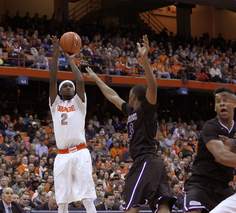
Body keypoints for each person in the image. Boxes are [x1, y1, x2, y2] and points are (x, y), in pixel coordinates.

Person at [84, 35, 175, 213]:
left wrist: (144, 60)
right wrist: (97, 79)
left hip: (145, 161)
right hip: (153, 163)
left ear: (133, 96)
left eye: (130, 94)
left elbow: (153, 87)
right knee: (162, 202)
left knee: (131, 205)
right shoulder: (131, 111)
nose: (127, 97)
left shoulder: (146, 111)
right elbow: (112, 97)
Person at [49, 36, 96, 213]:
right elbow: (52, 80)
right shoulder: (55, 104)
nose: (69, 88)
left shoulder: (79, 103)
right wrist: (55, 56)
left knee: (87, 195)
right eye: (65, 87)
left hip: (80, 151)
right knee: (62, 197)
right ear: (60, 92)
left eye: (70, 86)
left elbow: (81, 81)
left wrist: (70, 60)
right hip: (61, 155)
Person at [184, 86, 236, 213]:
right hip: (201, 184)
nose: (222, 104)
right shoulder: (210, 127)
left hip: (224, 187)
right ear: (215, 107)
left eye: (226, 100)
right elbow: (221, 156)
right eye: (218, 102)